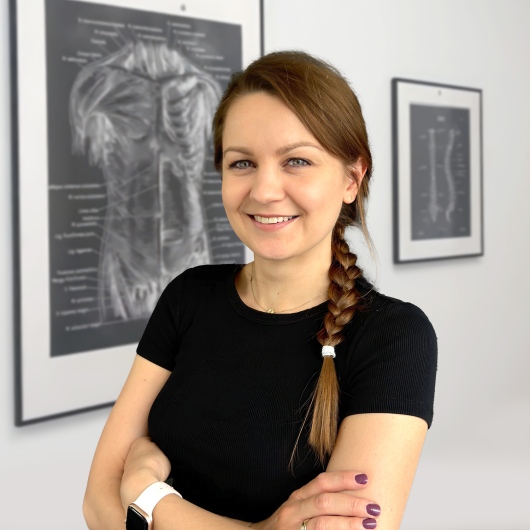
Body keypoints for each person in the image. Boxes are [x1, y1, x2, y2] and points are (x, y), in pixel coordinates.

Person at [83, 50, 437, 530]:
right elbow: (99, 506)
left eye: (296, 161)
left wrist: (148, 494)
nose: (265, 190)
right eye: (242, 163)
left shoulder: (393, 336)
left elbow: (123, 504)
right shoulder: (187, 297)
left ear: (352, 179)